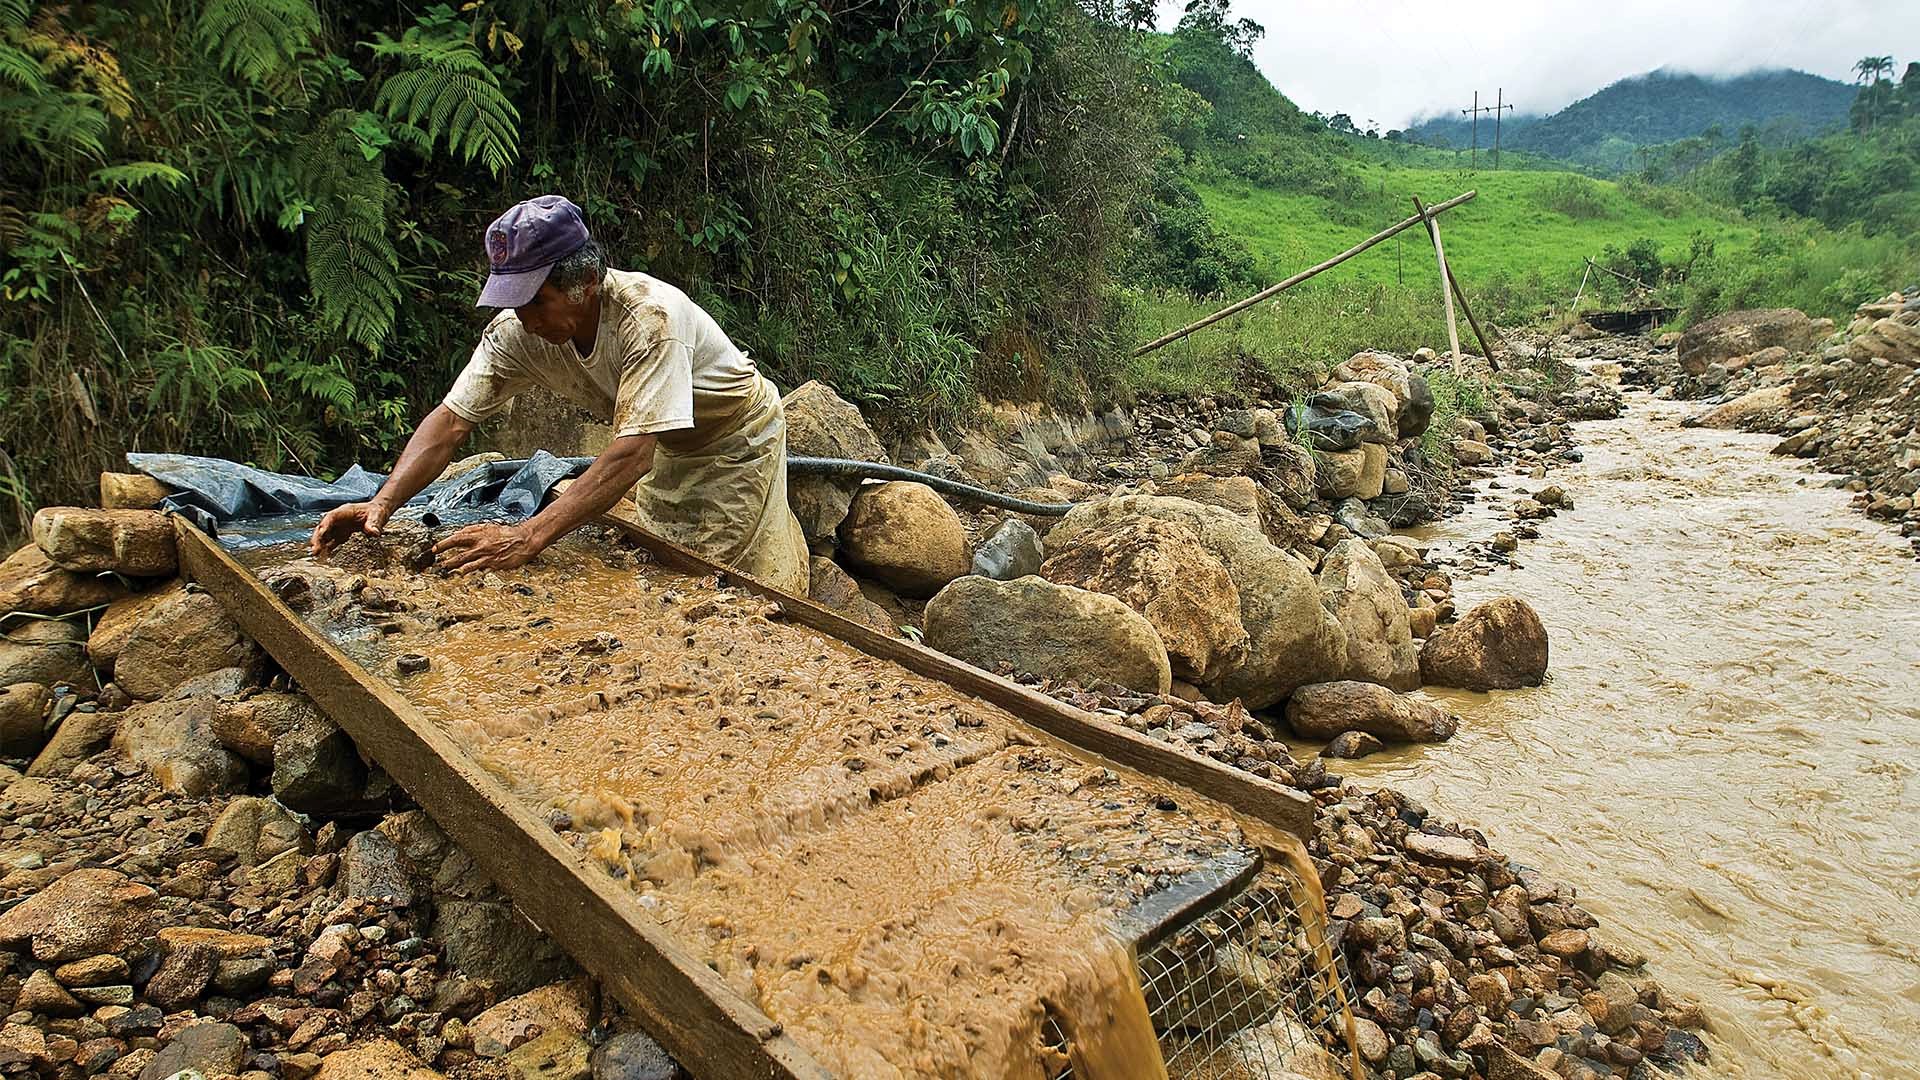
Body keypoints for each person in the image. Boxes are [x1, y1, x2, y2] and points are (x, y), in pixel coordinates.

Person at [308, 195, 809, 592]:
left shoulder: (649, 320)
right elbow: (451, 421)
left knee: (727, 587)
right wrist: (383, 502)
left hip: (732, 440)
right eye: (513, 302)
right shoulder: (517, 332)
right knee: (664, 570)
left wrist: (528, 535)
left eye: (535, 302)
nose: (525, 318)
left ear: (586, 282)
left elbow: (632, 456)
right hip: (670, 444)